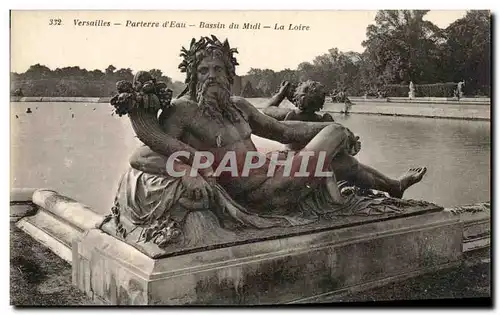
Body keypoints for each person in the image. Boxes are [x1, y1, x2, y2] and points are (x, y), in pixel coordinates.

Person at [109, 35, 428, 248]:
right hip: (258, 194)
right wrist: (189, 170)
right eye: (203, 70)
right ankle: (341, 159)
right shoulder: (182, 112)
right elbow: (142, 157)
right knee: (334, 135)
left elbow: (285, 132)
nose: (211, 76)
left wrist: (328, 135)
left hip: (273, 172)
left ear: (229, 72)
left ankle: (393, 186)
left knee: (339, 157)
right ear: (192, 76)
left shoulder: (239, 107)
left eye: (218, 69)